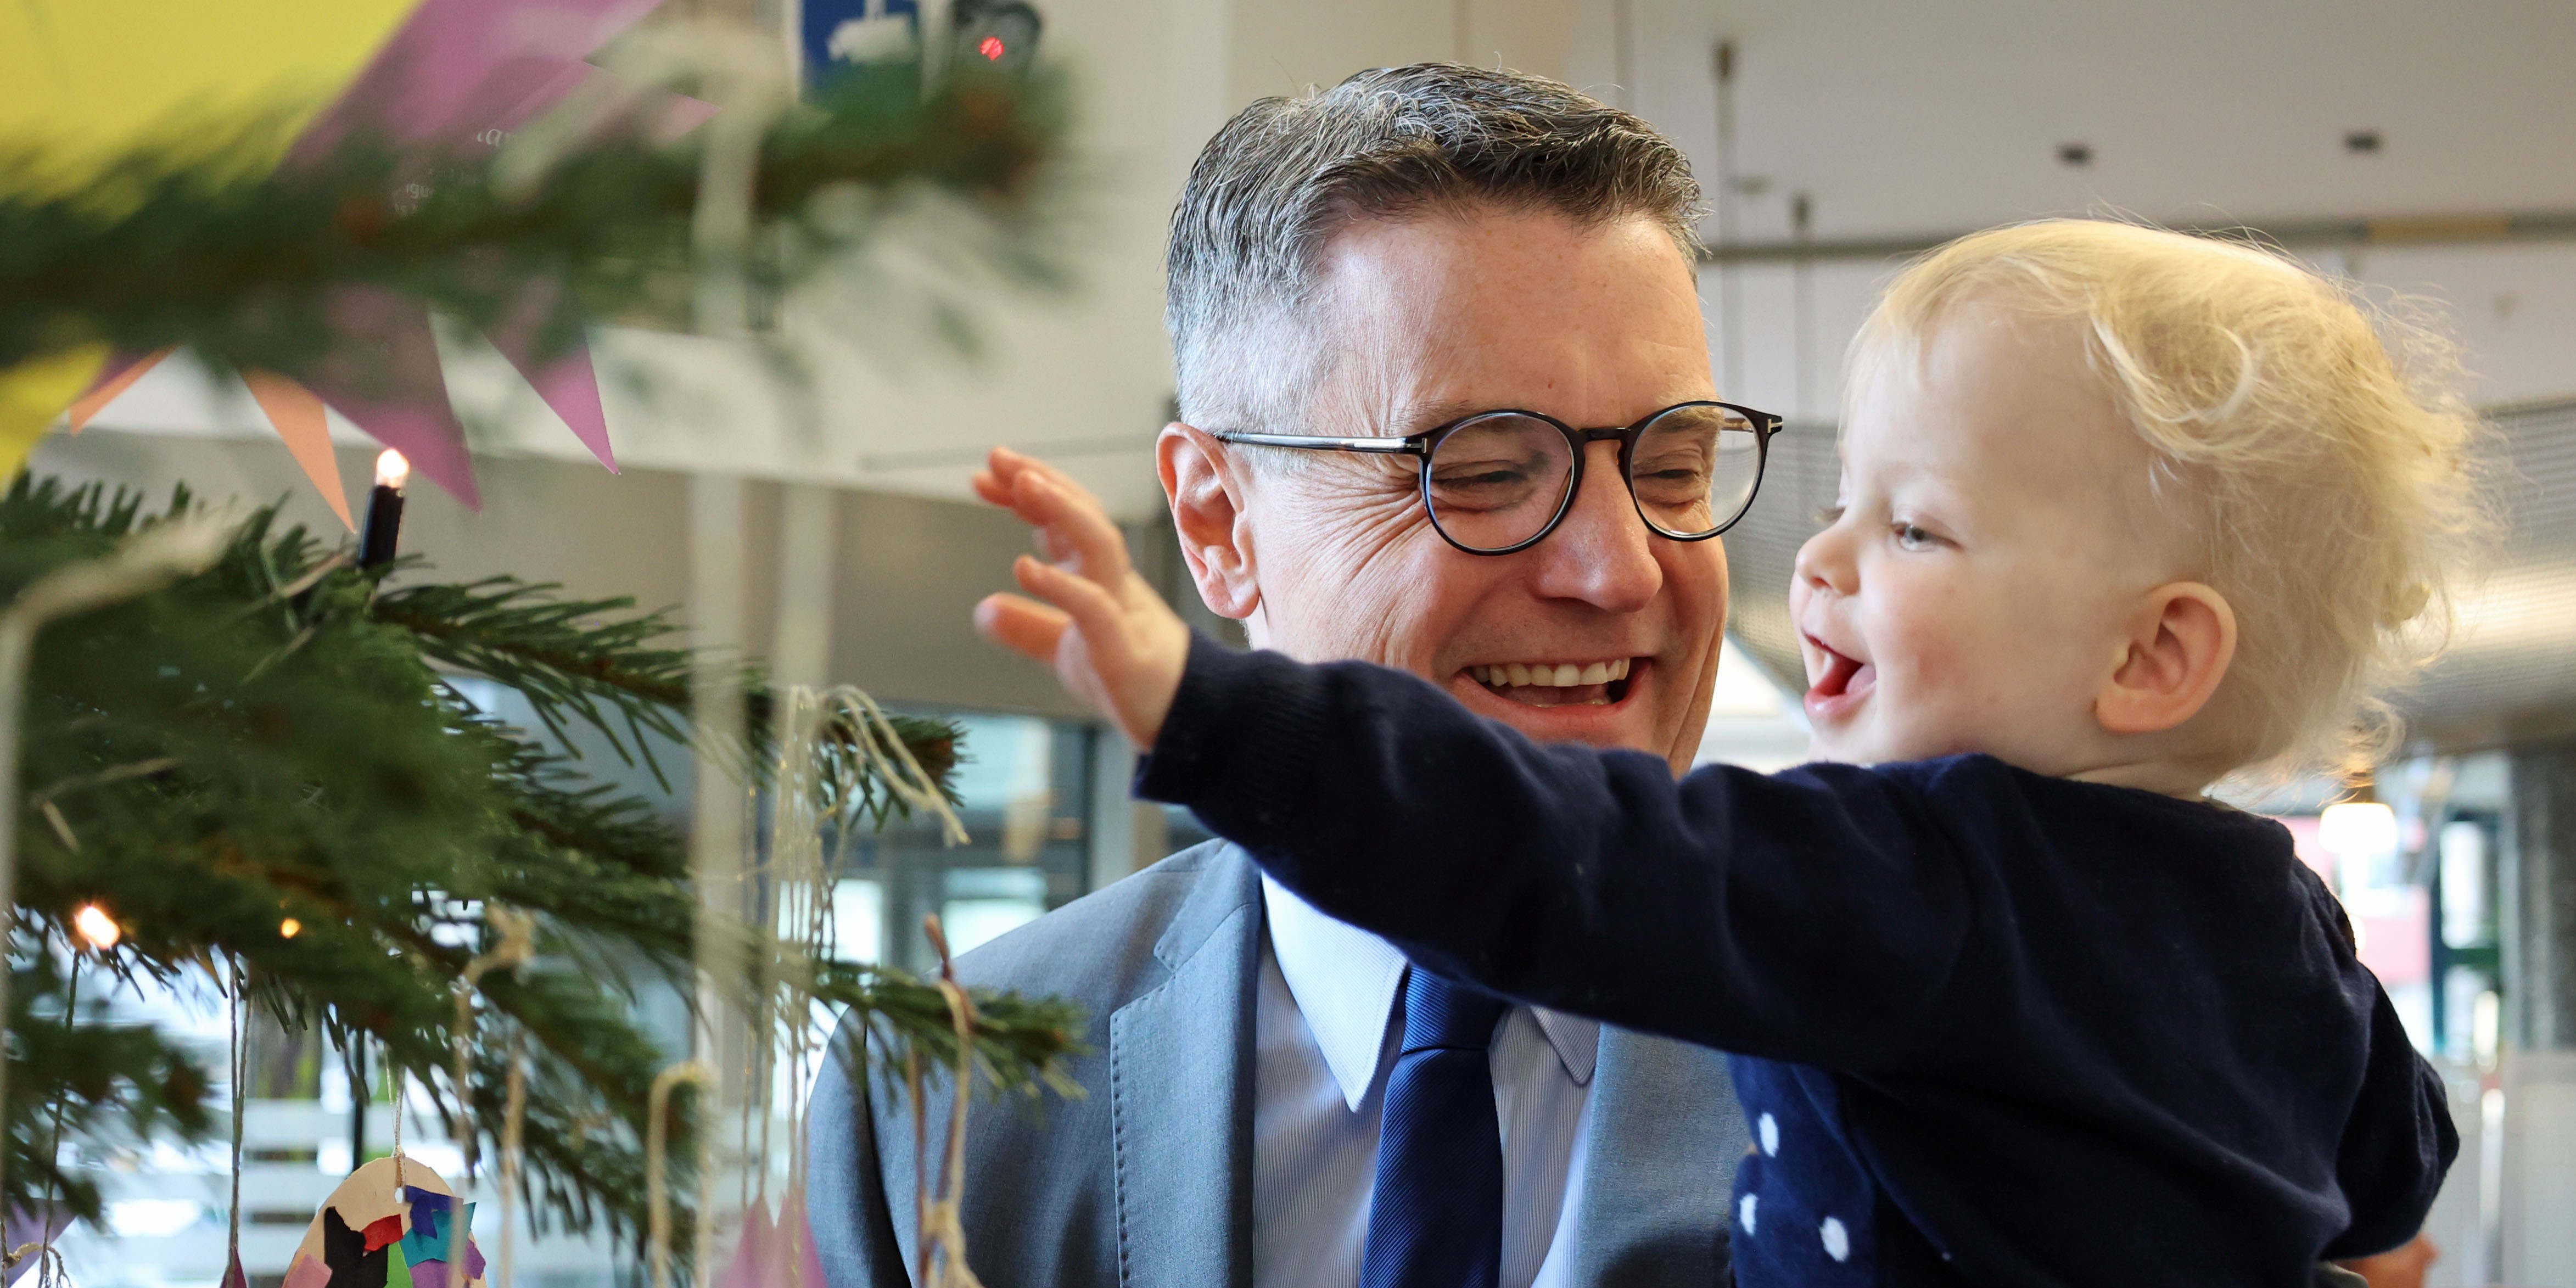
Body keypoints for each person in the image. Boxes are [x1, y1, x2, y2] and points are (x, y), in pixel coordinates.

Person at [971, 219, 2475, 1286]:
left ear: (2150, 654)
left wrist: (1202, 704)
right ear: (1219, 519)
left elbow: (1551, 855)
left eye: (1912, 526)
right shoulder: (2283, 929)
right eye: (1487, 473)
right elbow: (2387, 1172)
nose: (1810, 558)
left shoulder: (1904, 880)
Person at [809, 64, 1760, 1288]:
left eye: (1673, 468)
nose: (1621, 569)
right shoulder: (946, 1097)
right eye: (1480, 470)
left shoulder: (1911, 1048)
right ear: (1217, 525)